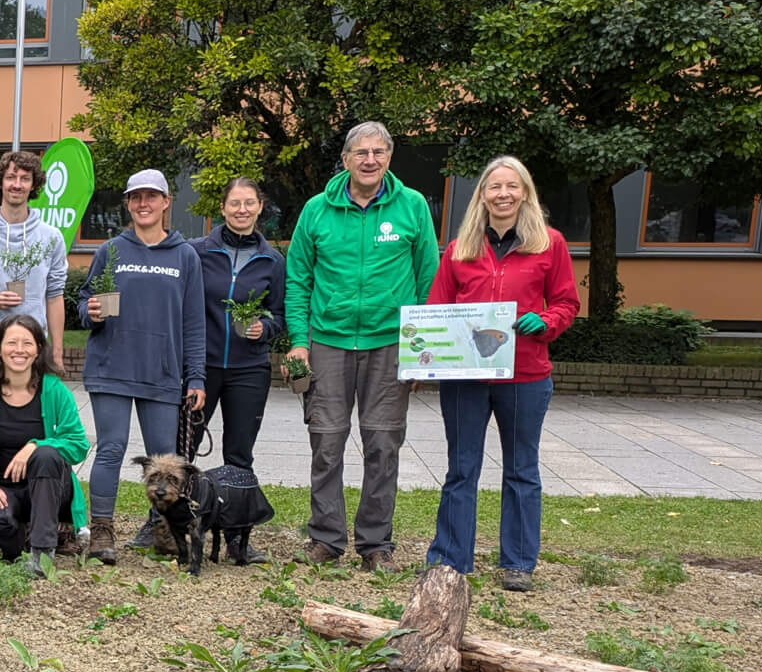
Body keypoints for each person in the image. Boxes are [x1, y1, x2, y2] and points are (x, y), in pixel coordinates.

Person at [283, 121, 441, 570]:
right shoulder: (317, 210)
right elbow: (297, 281)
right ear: (346, 159)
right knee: (326, 444)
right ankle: (326, 540)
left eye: (378, 152)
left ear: (389, 158)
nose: (370, 160)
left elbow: (429, 279)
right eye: (361, 153)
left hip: (390, 344)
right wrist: (299, 342)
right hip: (328, 342)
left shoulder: (412, 206)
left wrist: (421, 352)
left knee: (383, 445)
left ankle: (375, 544)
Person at [424, 156, 579, 591]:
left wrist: (544, 321)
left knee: (521, 470)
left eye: (512, 186)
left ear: (525, 193)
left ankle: (518, 562)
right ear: (483, 195)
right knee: (461, 469)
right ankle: (451, 558)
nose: (503, 194)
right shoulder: (461, 249)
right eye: (495, 187)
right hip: (465, 380)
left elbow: (566, 303)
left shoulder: (549, 244)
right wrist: (427, 352)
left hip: (525, 376)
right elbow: (437, 309)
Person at [75, 168, 206, 563]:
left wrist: (196, 376)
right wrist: (89, 312)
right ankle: (102, 530)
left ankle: (164, 530)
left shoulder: (185, 255)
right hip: (112, 368)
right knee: (111, 449)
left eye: (151, 196)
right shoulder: (110, 250)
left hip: (161, 372)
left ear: (166, 202)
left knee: (163, 457)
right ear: (128, 204)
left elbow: (194, 322)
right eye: (135, 197)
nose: (143, 203)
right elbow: (84, 302)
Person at [193, 177, 286, 562]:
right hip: (202, 366)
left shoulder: (272, 260)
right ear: (223, 207)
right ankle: (165, 525)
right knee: (184, 447)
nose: (242, 210)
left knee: (239, 455)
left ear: (260, 207)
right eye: (235, 203)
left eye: (249, 203)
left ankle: (236, 538)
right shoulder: (198, 252)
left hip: (249, 369)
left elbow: (279, 314)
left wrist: (265, 326)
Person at [0, 315, 88, 573]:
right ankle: (22, 540)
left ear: (38, 349)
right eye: (12, 342)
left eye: (27, 343)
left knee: (46, 454)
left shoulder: (54, 390)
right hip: (2, 488)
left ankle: (42, 553)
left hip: (50, 488)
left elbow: (78, 444)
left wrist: (34, 446)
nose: (19, 350)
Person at [0, 149, 69, 358]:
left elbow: (55, 296)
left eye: (25, 179)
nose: (17, 185)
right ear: (0, 183)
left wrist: (56, 353)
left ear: (34, 185)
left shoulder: (51, 237)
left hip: (33, 349)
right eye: (11, 177)